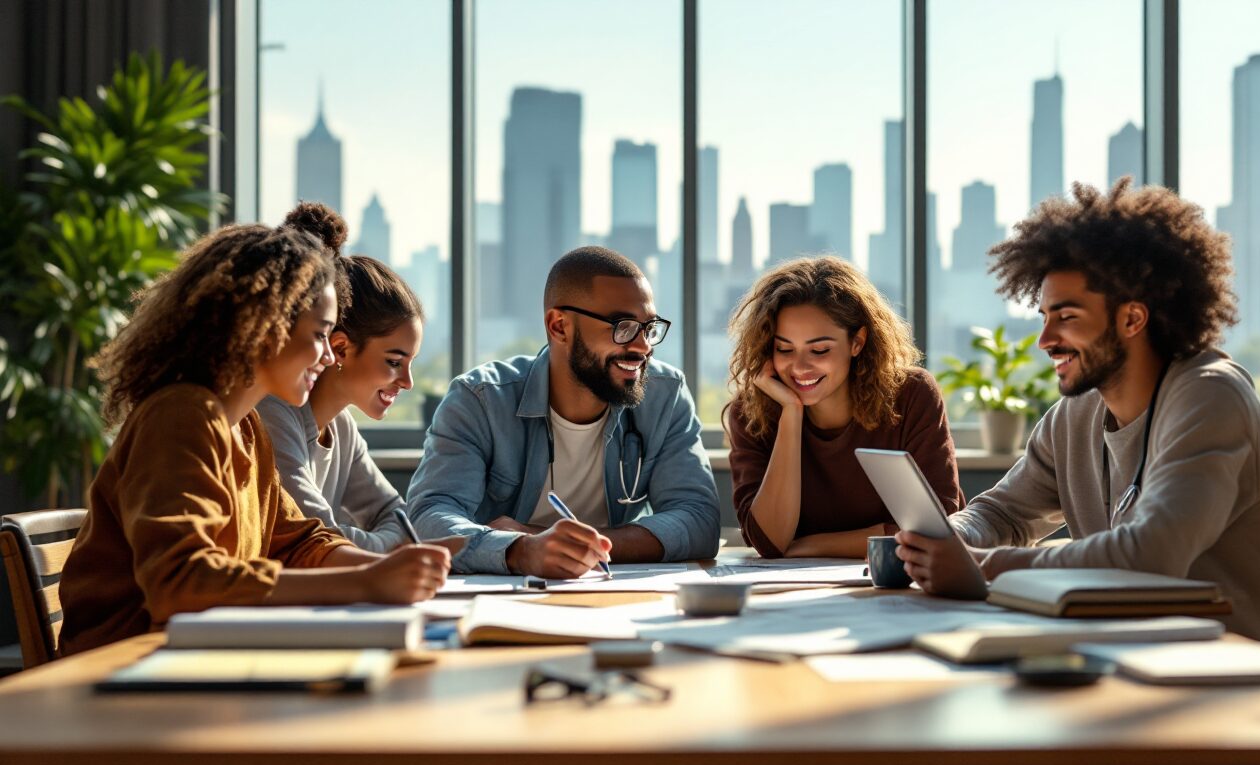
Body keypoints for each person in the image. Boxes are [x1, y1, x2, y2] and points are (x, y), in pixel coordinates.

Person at [896, 178, 1260, 660]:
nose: (1045, 339)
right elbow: (1002, 513)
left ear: (1132, 319)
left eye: (1066, 316)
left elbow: (1151, 555)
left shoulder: (1210, 395)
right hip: (1152, 659)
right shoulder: (1077, 413)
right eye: (1043, 315)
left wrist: (986, 567)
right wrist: (948, 541)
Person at [58, 219, 451, 656]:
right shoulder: (181, 416)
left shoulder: (246, 428)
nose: (326, 355)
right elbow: (179, 582)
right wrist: (366, 581)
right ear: (264, 327)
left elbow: (300, 542)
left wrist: (388, 571)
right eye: (320, 334)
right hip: (122, 670)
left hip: (197, 658)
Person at [407, 246, 719, 578]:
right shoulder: (480, 400)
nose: (643, 346)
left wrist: (580, 545)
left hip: (613, 594)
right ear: (559, 327)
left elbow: (698, 518)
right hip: (505, 601)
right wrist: (522, 551)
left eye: (648, 327)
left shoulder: (665, 395)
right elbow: (428, 518)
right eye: (623, 326)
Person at [725, 256, 962, 558]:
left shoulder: (912, 394)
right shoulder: (751, 414)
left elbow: (935, 523)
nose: (799, 367)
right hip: (798, 593)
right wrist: (792, 412)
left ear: (857, 342)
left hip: (909, 583)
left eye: (820, 349)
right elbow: (770, 541)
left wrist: (812, 546)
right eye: (784, 349)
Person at [256, 202, 459, 553]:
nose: (408, 382)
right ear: (341, 348)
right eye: (395, 361)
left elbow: (398, 518)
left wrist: (377, 543)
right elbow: (320, 540)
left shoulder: (342, 427)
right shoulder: (273, 415)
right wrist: (387, 547)